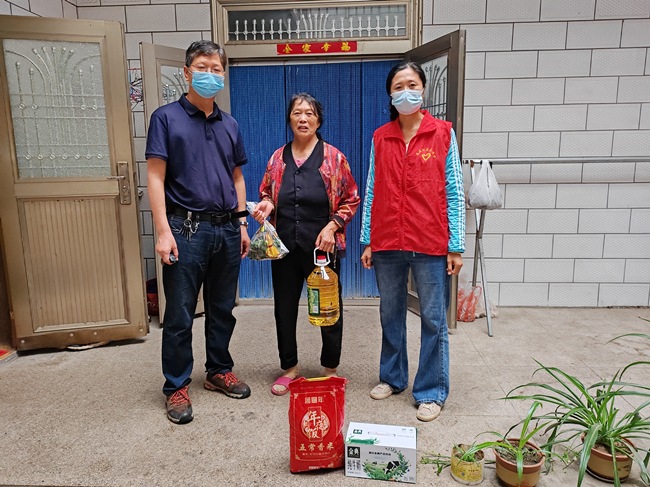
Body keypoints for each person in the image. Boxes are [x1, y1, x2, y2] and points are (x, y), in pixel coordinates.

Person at [146, 40, 251, 425]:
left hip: (227, 229)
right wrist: (163, 231)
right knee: (179, 313)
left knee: (223, 308)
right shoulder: (165, 118)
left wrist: (242, 222)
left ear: (223, 74)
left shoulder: (230, 124)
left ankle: (218, 370)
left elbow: (237, 177)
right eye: (202, 67)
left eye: (216, 68)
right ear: (187, 72)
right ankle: (176, 385)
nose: (210, 74)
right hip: (184, 229)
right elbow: (155, 178)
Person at [360, 62, 465, 422]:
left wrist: (456, 245)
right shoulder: (381, 137)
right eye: (398, 86)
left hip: (430, 241)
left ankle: (431, 390)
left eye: (412, 84)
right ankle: (393, 377)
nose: (406, 91)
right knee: (390, 313)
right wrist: (367, 240)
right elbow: (372, 189)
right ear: (390, 94)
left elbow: (454, 189)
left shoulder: (443, 133)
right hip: (387, 240)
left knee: (433, 319)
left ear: (423, 89)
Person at [252, 93, 360, 396]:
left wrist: (333, 226)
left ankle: (330, 370)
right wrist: (266, 204)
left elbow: (351, 198)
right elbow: (266, 192)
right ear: (289, 119)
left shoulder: (334, 158)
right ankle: (289, 369)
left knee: (329, 308)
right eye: (297, 113)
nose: (303, 118)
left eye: (309, 113)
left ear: (318, 120)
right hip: (284, 247)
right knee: (284, 309)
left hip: (322, 248)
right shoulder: (277, 158)